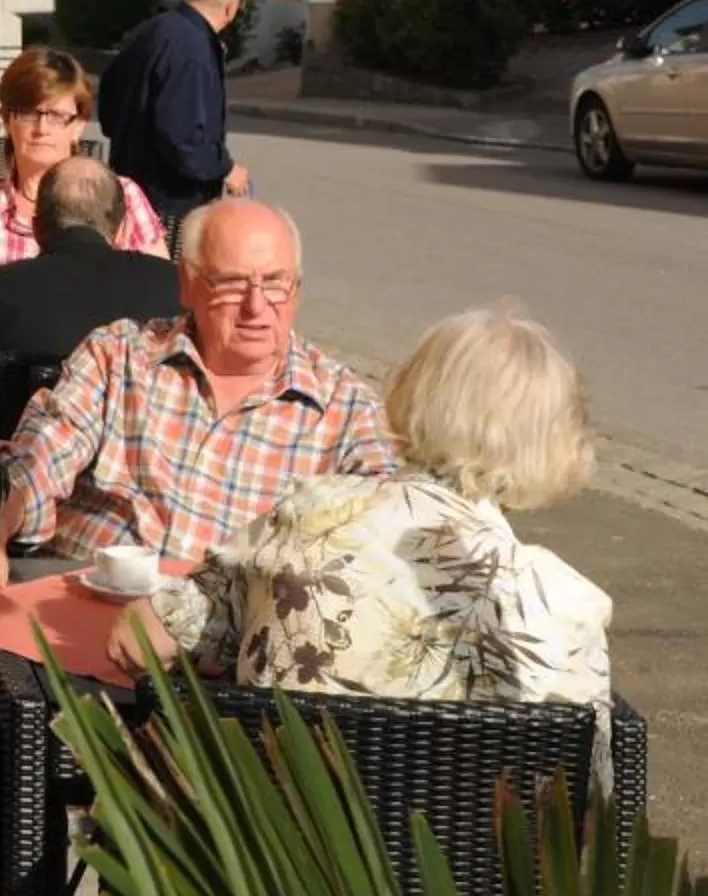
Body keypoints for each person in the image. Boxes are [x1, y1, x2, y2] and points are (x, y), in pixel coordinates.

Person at [107, 305, 612, 731]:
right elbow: (594, 808)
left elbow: (143, 636)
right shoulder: (568, 610)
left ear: (412, 393)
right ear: (558, 444)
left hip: (271, 839)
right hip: (460, 847)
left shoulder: (311, 517)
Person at [0, 199, 396, 580]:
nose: (256, 307)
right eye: (232, 283)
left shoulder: (346, 409)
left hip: (237, 643)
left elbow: (391, 532)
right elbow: (44, 455)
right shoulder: (120, 356)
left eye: (275, 283)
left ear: (297, 288)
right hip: (87, 613)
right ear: (188, 284)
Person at [0, 158, 180, 471]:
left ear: (37, 226)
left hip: (23, 493)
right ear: (121, 228)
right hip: (141, 493)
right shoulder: (173, 288)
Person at [0, 49, 167, 331]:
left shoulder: (123, 196)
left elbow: (160, 291)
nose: (42, 128)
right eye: (28, 114)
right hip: (7, 361)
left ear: (78, 125)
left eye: (57, 116)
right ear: (6, 119)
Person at [95, 0, 251, 234]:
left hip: (130, 188)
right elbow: (183, 138)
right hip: (171, 205)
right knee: (170, 277)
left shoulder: (154, 29)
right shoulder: (192, 50)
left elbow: (109, 94)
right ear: (232, 5)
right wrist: (226, 169)